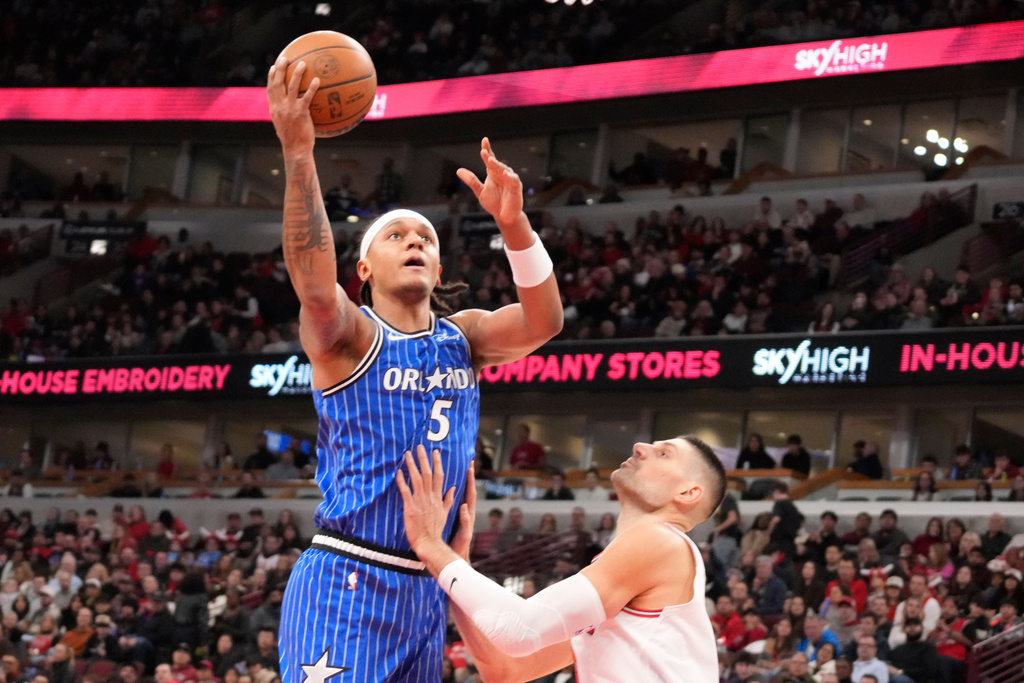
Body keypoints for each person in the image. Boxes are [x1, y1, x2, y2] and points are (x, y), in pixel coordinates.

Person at [267, 57, 562, 683]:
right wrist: (299, 153)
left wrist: (516, 228)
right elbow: (315, 286)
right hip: (348, 576)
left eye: (425, 236)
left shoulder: (466, 336)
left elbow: (543, 324)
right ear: (365, 269)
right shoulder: (349, 336)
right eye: (396, 235)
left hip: (429, 587)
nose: (415, 241)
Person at [397, 436, 726, 682]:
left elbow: (520, 628)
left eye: (664, 453)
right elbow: (507, 669)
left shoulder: (659, 542)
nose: (640, 446)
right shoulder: (628, 576)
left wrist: (431, 545)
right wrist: (456, 562)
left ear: (687, 493)